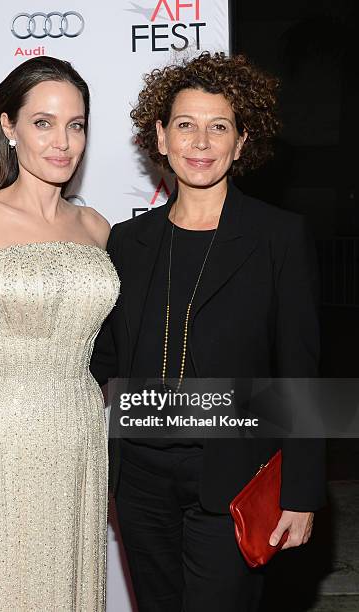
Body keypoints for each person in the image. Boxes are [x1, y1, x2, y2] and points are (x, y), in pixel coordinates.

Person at [89, 52, 326, 611]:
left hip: (233, 473)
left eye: (219, 127)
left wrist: (301, 492)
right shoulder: (128, 241)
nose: (200, 142)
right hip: (140, 478)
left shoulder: (278, 237)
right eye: (185, 125)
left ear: (241, 143)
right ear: (161, 138)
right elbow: (103, 357)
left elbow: (301, 370)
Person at [0, 56, 119, 611]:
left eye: (76, 124)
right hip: (0, 441)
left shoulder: (97, 228)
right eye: (43, 122)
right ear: (9, 128)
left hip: (83, 437)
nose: (62, 141)